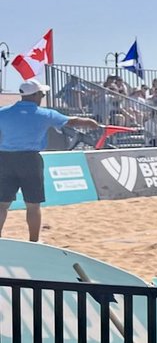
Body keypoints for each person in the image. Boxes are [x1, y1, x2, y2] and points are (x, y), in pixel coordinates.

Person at [0, 79, 100, 242]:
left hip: (5, 159)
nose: (42, 97)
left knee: (2, 204)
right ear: (35, 95)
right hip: (30, 160)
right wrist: (90, 122)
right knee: (33, 205)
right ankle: (34, 241)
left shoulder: (3, 112)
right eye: (42, 94)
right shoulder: (45, 114)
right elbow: (72, 121)